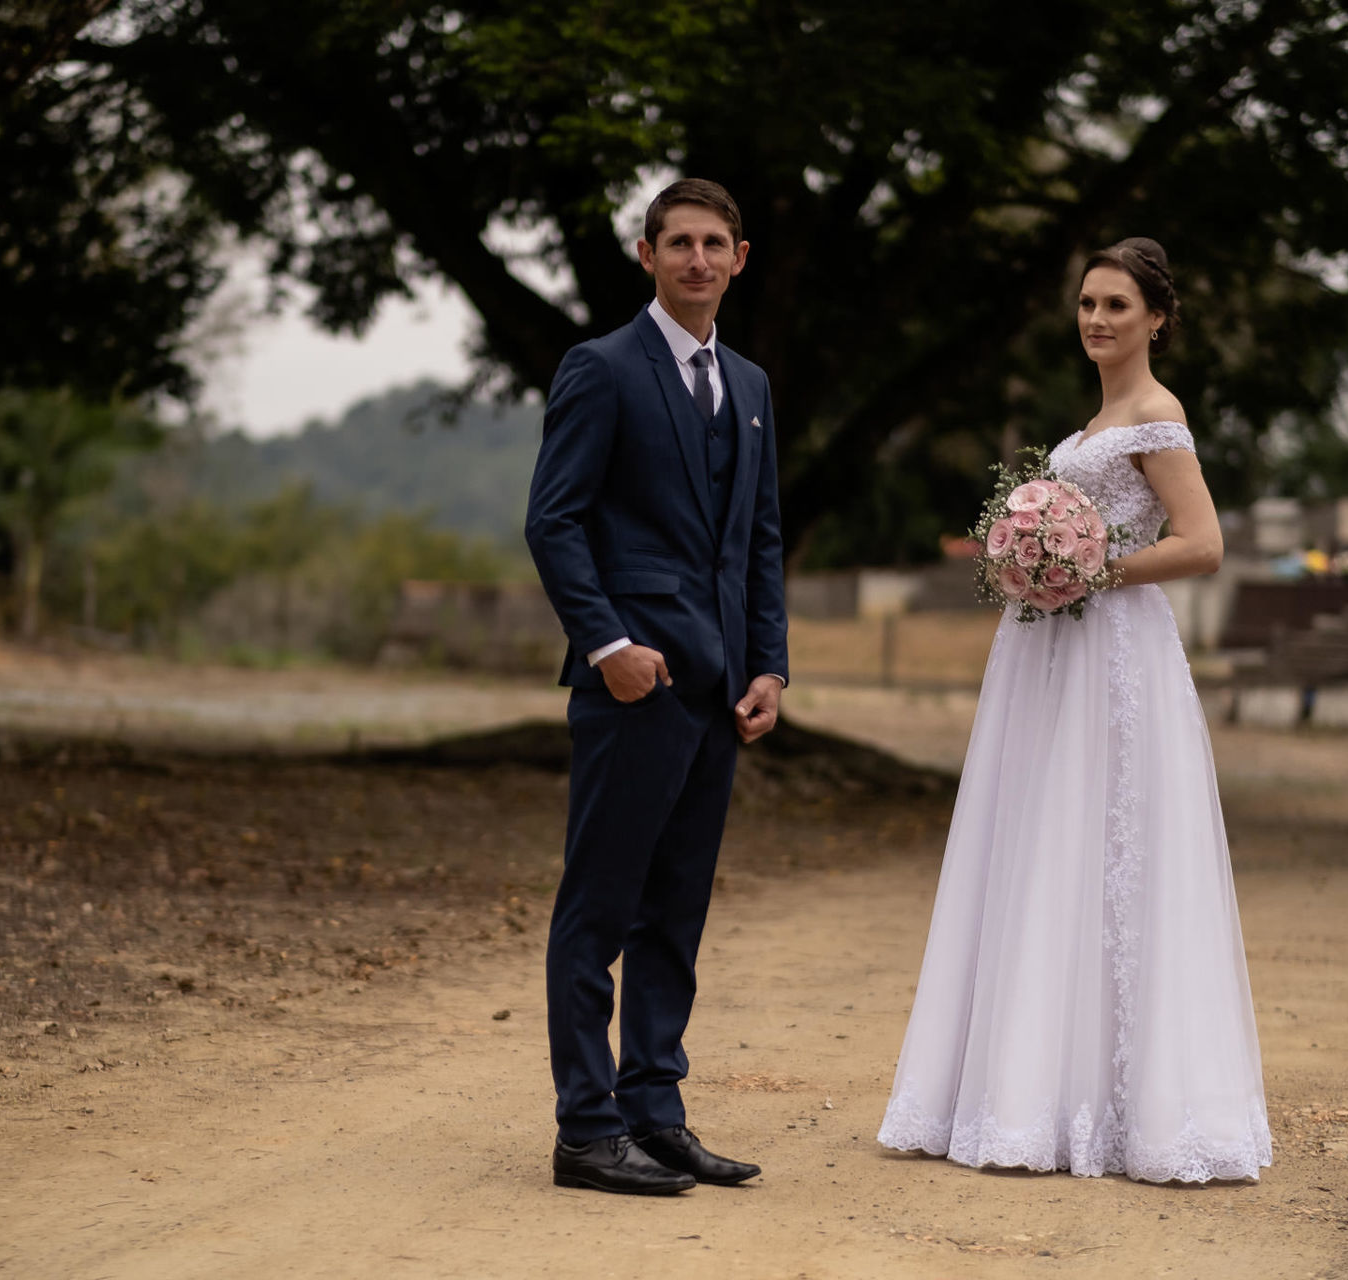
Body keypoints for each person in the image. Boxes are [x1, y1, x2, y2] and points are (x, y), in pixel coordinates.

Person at [876, 238, 1273, 1183]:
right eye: (1088, 304)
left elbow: (1203, 544)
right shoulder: (1091, 424)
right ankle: (1020, 1090)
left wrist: (1090, 569)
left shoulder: (1157, 417)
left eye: (1117, 306)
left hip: (1113, 653)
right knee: (1040, 841)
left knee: (1105, 844)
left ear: (1157, 320)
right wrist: (1031, 562)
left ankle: (1116, 1106)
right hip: (1049, 651)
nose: (1097, 319)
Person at [524, 178, 789, 1196]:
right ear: (647, 255)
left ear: (739, 257)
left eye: (715, 243)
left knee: (675, 914)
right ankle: (586, 1130)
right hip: (631, 687)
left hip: (720, 695)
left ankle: (654, 1112)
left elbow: (758, 539)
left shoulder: (751, 384)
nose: (697, 259)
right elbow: (554, 521)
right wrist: (607, 644)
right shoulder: (600, 369)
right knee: (598, 909)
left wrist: (768, 663)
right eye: (678, 242)